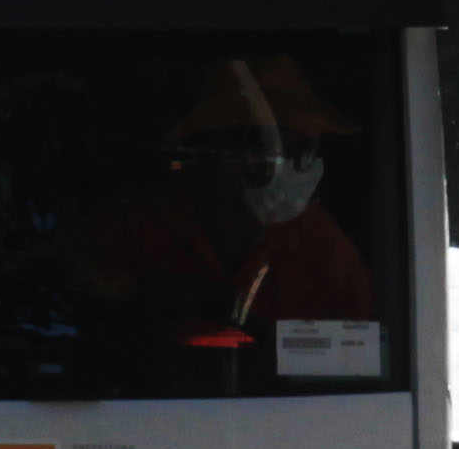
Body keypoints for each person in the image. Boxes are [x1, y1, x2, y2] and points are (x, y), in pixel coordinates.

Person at [82, 55, 374, 344]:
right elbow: (88, 331)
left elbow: (358, 356)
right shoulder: (132, 229)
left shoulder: (322, 246)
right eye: (276, 148)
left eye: (303, 152)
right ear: (217, 151)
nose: (294, 169)